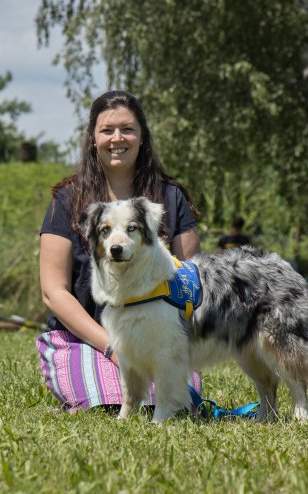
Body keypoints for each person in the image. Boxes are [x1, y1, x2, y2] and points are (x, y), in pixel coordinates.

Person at [36, 90, 202, 412]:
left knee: (173, 403)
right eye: (107, 130)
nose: (117, 138)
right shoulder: (66, 200)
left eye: (127, 129)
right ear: (92, 139)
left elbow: (190, 280)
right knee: (108, 401)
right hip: (84, 341)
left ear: (142, 137)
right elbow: (53, 292)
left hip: (160, 340)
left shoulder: (171, 198)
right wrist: (113, 347)